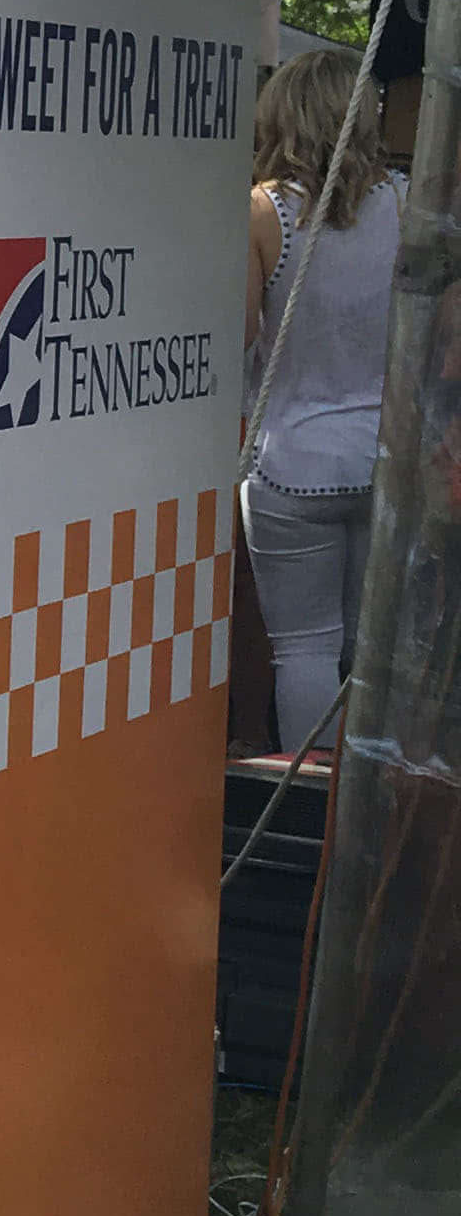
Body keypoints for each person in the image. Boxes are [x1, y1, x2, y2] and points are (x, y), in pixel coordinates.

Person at [243, 40, 402, 755]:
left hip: (288, 462)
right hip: (386, 456)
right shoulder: (410, 207)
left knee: (302, 648)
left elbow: (237, 339)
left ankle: (306, 800)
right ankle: (369, 801)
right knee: (374, 651)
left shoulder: (261, 214)